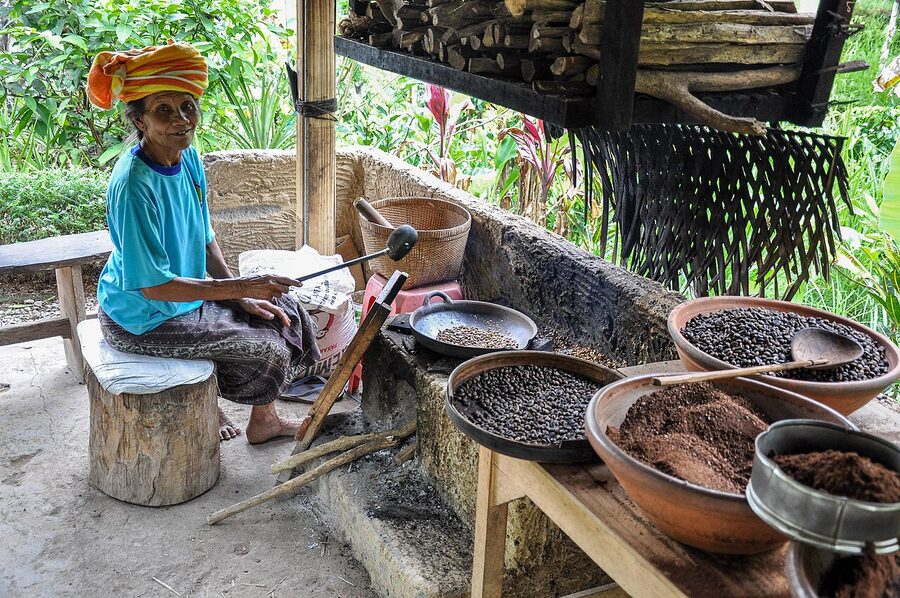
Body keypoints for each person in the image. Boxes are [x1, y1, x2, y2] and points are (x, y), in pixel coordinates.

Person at [87, 41, 320, 443]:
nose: (181, 120)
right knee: (267, 348)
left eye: (187, 107)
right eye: (163, 109)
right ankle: (218, 405)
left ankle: (262, 420)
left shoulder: (188, 158)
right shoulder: (132, 185)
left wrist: (240, 297)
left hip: (187, 296)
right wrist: (240, 288)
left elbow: (204, 236)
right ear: (139, 120)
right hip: (143, 317)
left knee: (288, 310)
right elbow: (154, 285)